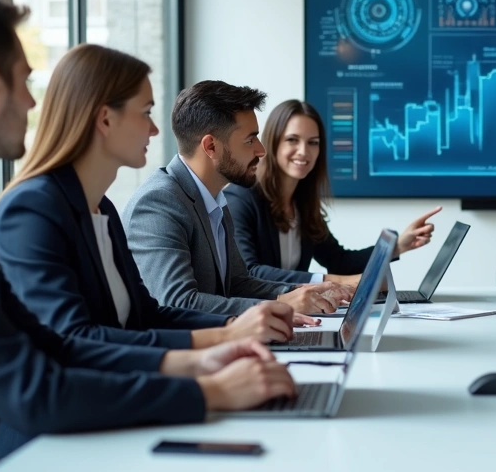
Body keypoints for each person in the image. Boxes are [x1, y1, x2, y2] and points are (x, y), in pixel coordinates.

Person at [0, 0, 295, 472]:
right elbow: (33, 389)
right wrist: (210, 391)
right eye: (24, 83)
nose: (31, 102)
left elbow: (50, 344)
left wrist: (200, 359)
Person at [0, 44, 312, 351]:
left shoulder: (103, 210)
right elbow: (77, 342)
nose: (155, 130)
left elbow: (146, 315)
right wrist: (211, 373)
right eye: (145, 112)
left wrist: (232, 331)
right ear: (105, 119)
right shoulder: (33, 210)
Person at [122, 80, 353, 317]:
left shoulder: (214, 200)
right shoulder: (159, 203)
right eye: (250, 140)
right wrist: (283, 304)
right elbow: (178, 302)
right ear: (211, 146)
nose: (261, 150)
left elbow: (236, 283)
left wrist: (298, 292)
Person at [228, 99, 440, 286]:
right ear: (273, 144)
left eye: (313, 143)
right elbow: (249, 272)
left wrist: (397, 246)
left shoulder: (302, 203)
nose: (304, 151)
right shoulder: (241, 198)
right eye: (292, 140)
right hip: (254, 319)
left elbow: (339, 261)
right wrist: (333, 282)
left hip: (294, 316)